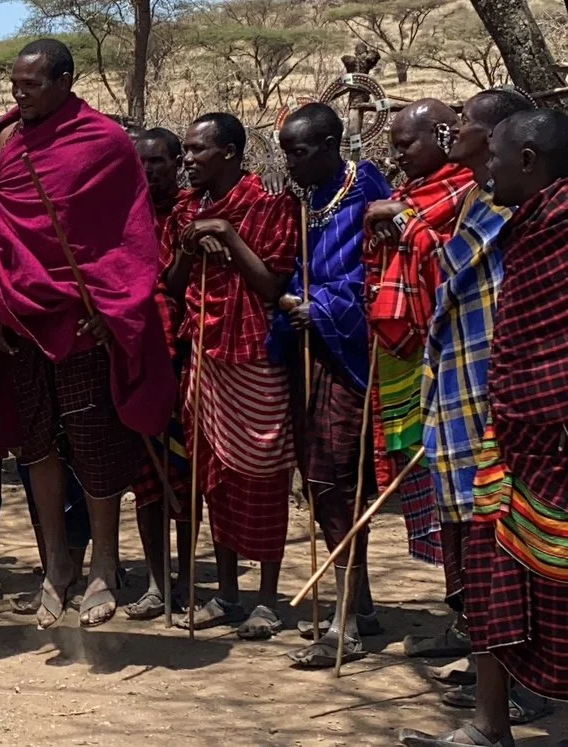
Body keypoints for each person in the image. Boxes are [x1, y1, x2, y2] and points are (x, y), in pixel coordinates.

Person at [0, 39, 175, 629]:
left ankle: (105, 564)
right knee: (39, 447)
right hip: (24, 319)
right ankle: (57, 564)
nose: (18, 94)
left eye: (31, 85)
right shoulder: (2, 139)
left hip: (82, 319)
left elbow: (127, 236)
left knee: (96, 446)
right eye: (15, 84)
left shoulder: (103, 142)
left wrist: (111, 307)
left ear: (65, 80)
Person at [399, 108, 568, 747]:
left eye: (494, 156)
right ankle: (489, 727)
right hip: (507, 431)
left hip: (553, 436)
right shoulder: (525, 224)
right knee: (495, 573)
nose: (483, 168)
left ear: (528, 161)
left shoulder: (558, 227)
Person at [420, 90, 537, 702]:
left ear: (497, 138)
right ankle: (489, 659)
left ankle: (521, 678)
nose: (454, 129)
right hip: (459, 390)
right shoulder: (472, 199)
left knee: (508, 542)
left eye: (464, 121)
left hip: (501, 392)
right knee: (472, 537)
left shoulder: (522, 205)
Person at [163, 112, 299, 638]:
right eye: (186, 150)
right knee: (212, 475)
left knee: (262, 476)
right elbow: (174, 285)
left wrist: (226, 234)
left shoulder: (268, 205)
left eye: (198, 150)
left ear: (230, 153)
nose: (188, 160)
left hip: (254, 359)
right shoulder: (184, 209)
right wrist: (189, 245)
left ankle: (267, 597)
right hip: (203, 355)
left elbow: (270, 285)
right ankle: (226, 593)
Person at [269, 104, 393, 666]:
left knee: (336, 480)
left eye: (299, 152)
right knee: (322, 481)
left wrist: (320, 303)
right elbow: (303, 267)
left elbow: (379, 272)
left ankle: (344, 624)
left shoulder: (366, 189)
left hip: (352, 354)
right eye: (285, 152)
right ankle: (358, 601)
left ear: (329, 143)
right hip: (310, 352)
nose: (290, 163)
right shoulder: (309, 203)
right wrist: (297, 297)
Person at [362, 101, 474, 657]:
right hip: (406, 358)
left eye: (407, 144)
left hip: (455, 358)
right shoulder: (405, 195)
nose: (397, 154)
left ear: (444, 135)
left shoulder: (470, 188)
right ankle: (461, 614)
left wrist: (398, 223)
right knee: (437, 495)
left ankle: (476, 624)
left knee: (467, 498)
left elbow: (445, 252)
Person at [127, 125, 195, 621]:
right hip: (137, 355)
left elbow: (177, 283)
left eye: (158, 161)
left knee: (185, 476)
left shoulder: (194, 211)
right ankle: (156, 582)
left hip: (186, 356)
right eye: (142, 162)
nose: (149, 170)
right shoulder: (122, 212)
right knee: (147, 478)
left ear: (178, 163)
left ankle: (188, 580)